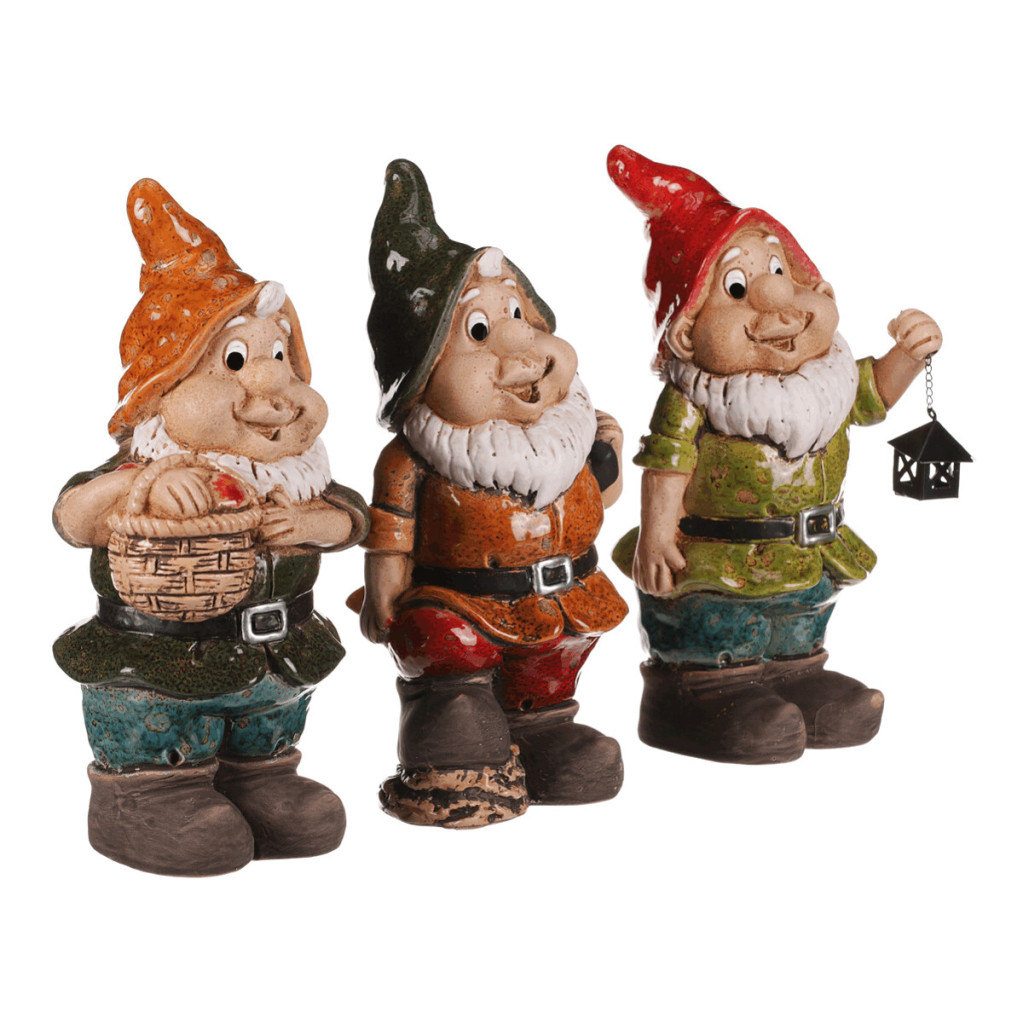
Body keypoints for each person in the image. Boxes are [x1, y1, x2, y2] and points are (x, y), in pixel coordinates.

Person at [53, 179, 368, 874]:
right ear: (163, 387)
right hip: (163, 661)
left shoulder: (298, 475)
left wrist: (316, 520)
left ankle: (261, 779)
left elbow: (352, 521)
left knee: (268, 730)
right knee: (163, 722)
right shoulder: (147, 464)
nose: (271, 387)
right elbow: (74, 518)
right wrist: (142, 485)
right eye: (234, 361)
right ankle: (144, 793)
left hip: (275, 655)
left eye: (280, 356)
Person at [607, 145, 943, 764]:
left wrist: (908, 354)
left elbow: (872, 394)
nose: (775, 301)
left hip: (807, 554)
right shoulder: (697, 396)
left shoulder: (827, 382)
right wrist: (655, 536)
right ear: (687, 331)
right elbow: (667, 464)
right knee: (721, 626)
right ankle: (703, 695)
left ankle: (797, 678)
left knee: (799, 620)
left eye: (780, 270)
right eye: (737, 287)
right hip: (720, 560)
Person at [360, 159, 628, 826]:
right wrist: (383, 599)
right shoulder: (415, 459)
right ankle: (454, 749)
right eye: (477, 332)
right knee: (453, 667)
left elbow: (601, 498)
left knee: (549, 672)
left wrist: (611, 456)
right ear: (421, 379)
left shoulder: (570, 436)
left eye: (519, 315)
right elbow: (389, 535)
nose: (520, 348)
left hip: (560, 601)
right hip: (459, 604)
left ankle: (543, 732)